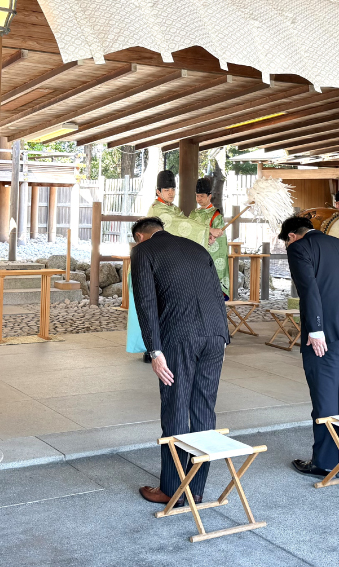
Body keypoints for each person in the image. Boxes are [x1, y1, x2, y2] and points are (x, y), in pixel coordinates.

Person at [130, 217, 230, 506]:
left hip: (180, 338)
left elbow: (145, 302)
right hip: (215, 335)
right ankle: (196, 489)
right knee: (203, 409)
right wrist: (221, 335)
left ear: (140, 236)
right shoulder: (196, 248)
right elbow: (216, 293)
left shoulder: (144, 252)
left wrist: (155, 351)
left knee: (175, 406)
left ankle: (172, 489)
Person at [279, 216, 339, 478]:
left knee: (325, 399)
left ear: (291, 236)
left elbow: (308, 289)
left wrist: (316, 329)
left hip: (327, 335)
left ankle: (323, 463)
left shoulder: (300, 248)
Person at [128, 170, 224, 363]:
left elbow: (185, 226)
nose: (171, 193)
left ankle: (159, 344)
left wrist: (208, 235)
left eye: (173, 188)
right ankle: (150, 348)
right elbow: (180, 225)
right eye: (166, 189)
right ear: (158, 191)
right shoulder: (158, 210)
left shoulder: (174, 209)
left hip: (166, 266)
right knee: (149, 305)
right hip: (152, 265)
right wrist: (207, 231)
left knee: (163, 305)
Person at [189, 177, 230, 299]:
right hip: (193, 256)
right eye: (197, 196)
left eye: (202, 196)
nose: (199, 199)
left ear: (209, 196)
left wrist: (212, 241)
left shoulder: (216, 215)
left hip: (208, 257)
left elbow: (221, 243)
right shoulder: (193, 214)